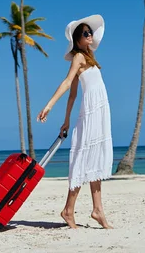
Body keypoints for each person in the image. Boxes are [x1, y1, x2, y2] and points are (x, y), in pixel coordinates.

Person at [37, 14, 113, 230]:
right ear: (77, 40)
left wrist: (66, 120)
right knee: (84, 158)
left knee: (95, 160)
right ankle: (68, 210)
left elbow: (73, 96)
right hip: (90, 112)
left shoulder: (90, 57)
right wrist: (50, 105)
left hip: (99, 112)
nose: (89, 35)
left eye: (90, 32)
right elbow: (68, 83)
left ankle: (97, 210)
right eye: (85, 33)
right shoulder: (79, 57)